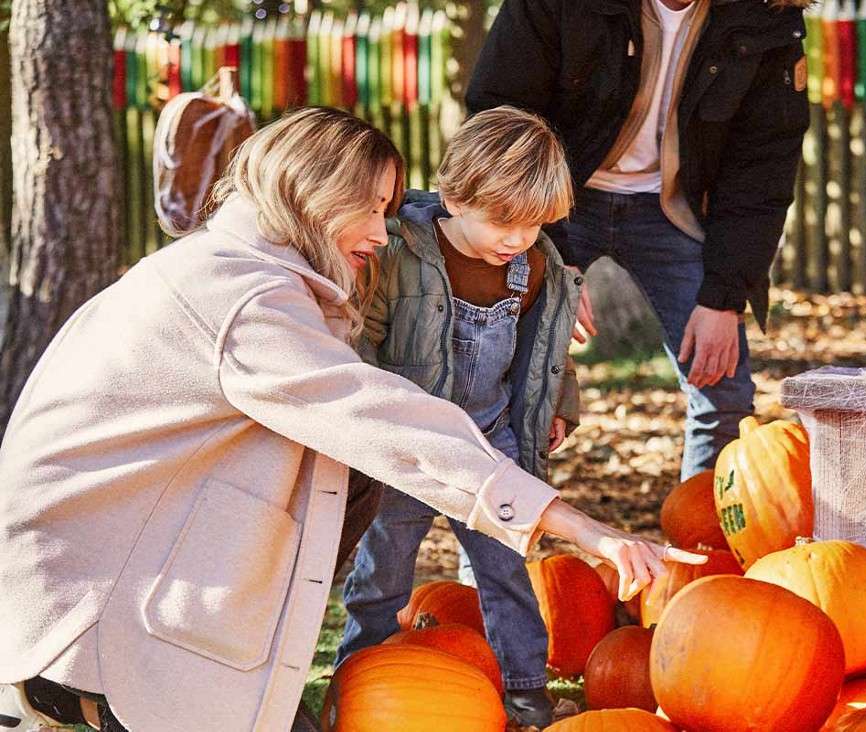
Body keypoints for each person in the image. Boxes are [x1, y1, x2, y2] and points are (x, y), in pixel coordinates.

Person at [0, 107, 699, 732]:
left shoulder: (247, 270)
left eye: (389, 208)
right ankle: (73, 699)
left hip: (129, 554)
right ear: (312, 194)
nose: (380, 228)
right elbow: (384, 420)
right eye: (368, 208)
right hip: (89, 599)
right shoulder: (246, 299)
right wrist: (578, 525)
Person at [467, 0, 812, 479]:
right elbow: (500, 111)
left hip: (671, 206)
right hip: (554, 202)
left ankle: (704, 546)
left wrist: (725, 296)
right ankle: (499, 543)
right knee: (503, 378)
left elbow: (763, 166)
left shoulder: (764, 16)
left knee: (724, 390)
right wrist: (550, 254)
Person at [336, 106, 579, 728]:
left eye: (533, 225)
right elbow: (366, 340)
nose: (517, 239)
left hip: (489, 438)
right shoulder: (402, 254)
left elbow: (545, 345)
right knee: (382, 571)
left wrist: (557, 403)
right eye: (503, 222)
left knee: (507, 570)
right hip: (411, 445)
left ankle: (525, 690)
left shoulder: (536, 265)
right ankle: (358, 679)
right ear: (453, 196)